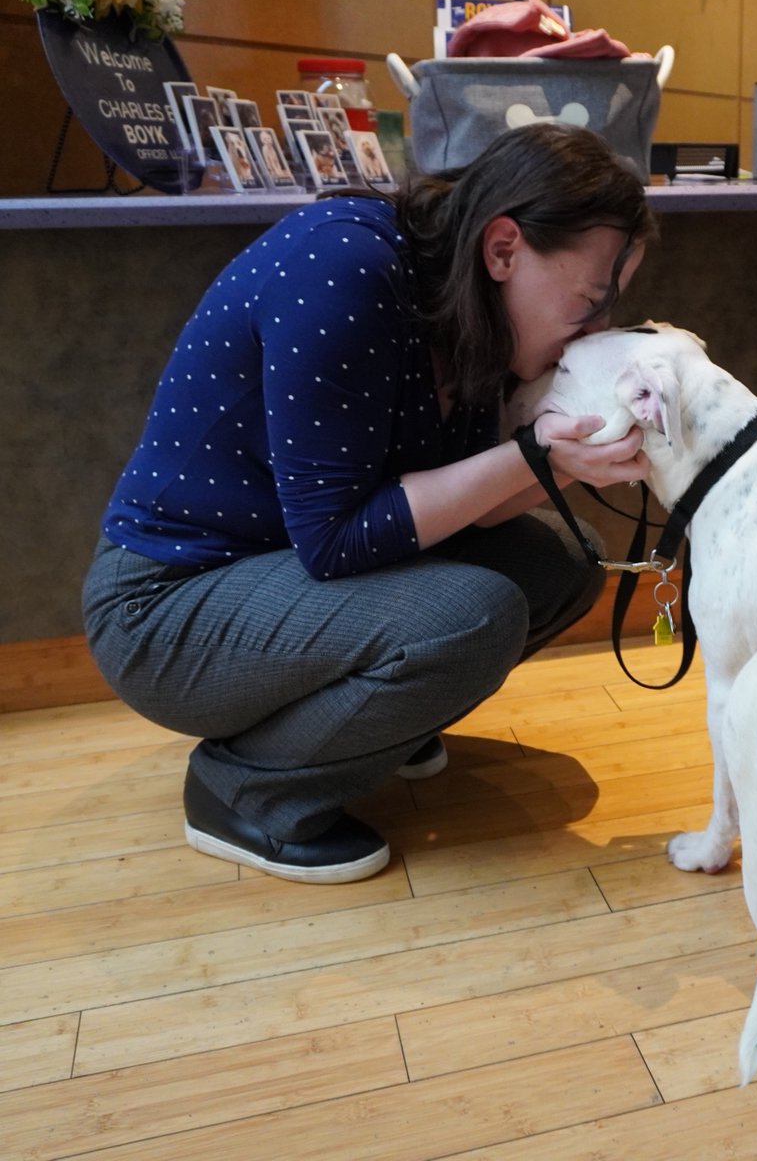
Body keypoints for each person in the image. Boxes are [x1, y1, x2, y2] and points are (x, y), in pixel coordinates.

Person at [82, 124, 655, 883]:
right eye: (589, 302)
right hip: (162, 607)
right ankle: (245, 793)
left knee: (563, 563)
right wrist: (533, 457)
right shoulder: (344, 266)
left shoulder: (470, 310)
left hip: (274, 572)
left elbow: (467, 509)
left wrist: (570, 461)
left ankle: (367, 726)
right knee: (471, 614)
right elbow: (338, 540)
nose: (597, 330)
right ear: (504, 248)